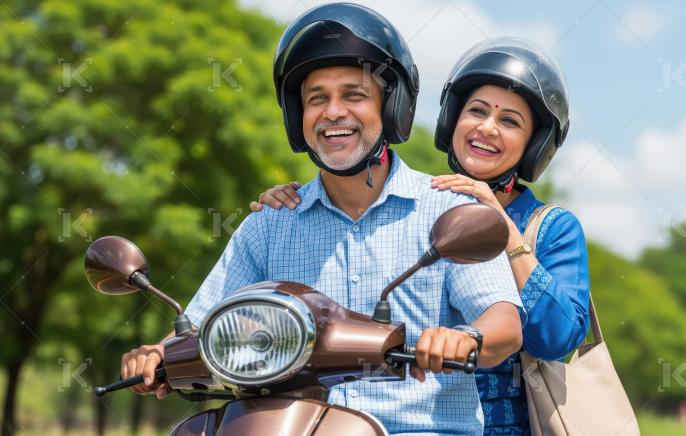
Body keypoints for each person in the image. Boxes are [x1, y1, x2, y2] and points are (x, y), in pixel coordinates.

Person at [119, 5, 523, 435]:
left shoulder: (446, 209)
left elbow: (503, 321)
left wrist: (466, 338)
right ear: (299, 117)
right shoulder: (270, 223)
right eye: (317, 99)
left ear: (390, 107)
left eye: (353, 95)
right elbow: (202, 322)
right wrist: (159, 354)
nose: (333, 112)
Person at [252, 38, 591, 435]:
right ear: (452, 120)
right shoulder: (425, 202)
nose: (487, 127)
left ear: (534, 143)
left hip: (503, 425)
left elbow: (556, 337)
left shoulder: (551, 226)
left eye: (510, 121)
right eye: (476, 111)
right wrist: (296, 206)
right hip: (398, 415)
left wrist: (503, 227)